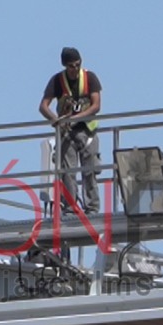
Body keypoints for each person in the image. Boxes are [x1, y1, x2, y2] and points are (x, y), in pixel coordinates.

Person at [39, 47, 102, 214]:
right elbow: (43, 106)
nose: (75, 69)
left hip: (87, 131)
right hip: (67, 133)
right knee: (68, 172)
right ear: (65, 66)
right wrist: (56, 121)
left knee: (90, 170)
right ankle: (70, 209)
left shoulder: (90, 78)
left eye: (77, 65)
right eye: (71, 66)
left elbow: (96, 105)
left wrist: (76, 117)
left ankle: (92, 208)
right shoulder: (57, 81)